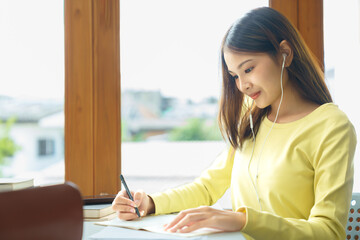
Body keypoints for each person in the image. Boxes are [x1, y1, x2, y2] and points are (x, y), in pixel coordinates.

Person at [112, 7, 357, 239]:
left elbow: (328, 231)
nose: (242, 85)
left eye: (248, 69)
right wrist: (150, 203)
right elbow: (207, 188)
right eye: (235, 76)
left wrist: (242, 220)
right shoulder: (251, 122)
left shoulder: (331, 127)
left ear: (285, 53)